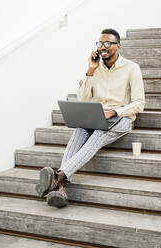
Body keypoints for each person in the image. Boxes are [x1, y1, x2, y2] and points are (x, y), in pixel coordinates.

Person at [35, 28, 145, 207]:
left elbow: (139, 103)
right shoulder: (95, 68)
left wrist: (114, 112)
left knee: (98, 135)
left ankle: (57, 177)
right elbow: (84, 98)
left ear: (118, 46)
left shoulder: (132, 68)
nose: (103, 47)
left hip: (121, 118)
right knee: (80, 129)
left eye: (108, 43)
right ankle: (60, 186)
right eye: (100, 43)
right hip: (97, 114)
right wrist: (90, 71)